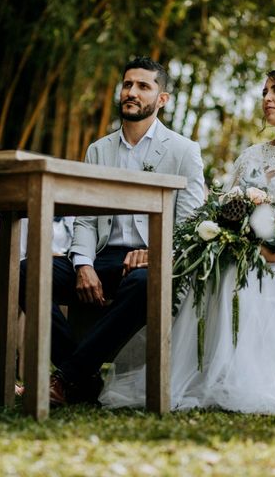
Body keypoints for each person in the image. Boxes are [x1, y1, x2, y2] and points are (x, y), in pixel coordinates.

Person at [100, 67, 275, 413]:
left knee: (249, 280)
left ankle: (247, 378)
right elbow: (221, 208)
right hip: (241, 253)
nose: (267, 98)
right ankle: (207, 374)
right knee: (219, 274)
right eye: (264, 91)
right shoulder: (250, 156)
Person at [18, 56, 205, 406]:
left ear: (161, 99)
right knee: (28, 270)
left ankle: (66, 377)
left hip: (156, 263)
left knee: (144, 281)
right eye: (127, 84)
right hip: (104, 259)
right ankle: (83, 378)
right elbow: (86, 220)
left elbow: (191, 225)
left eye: (143, 86)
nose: (131, 92)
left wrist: (156, 252)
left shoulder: (184, 151)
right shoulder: (98, 149)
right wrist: (83, 264)